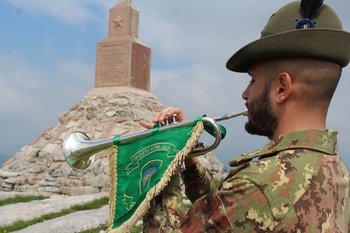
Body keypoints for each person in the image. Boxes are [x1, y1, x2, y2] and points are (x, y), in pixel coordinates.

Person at [139, 1, 350, 232]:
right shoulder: (336, 172)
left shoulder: (259, 187)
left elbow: (248, 204)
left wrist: (161, 158)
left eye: (252, 80)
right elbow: (233, 217)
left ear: (282, 88)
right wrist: (188, 160)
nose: (245, 93)